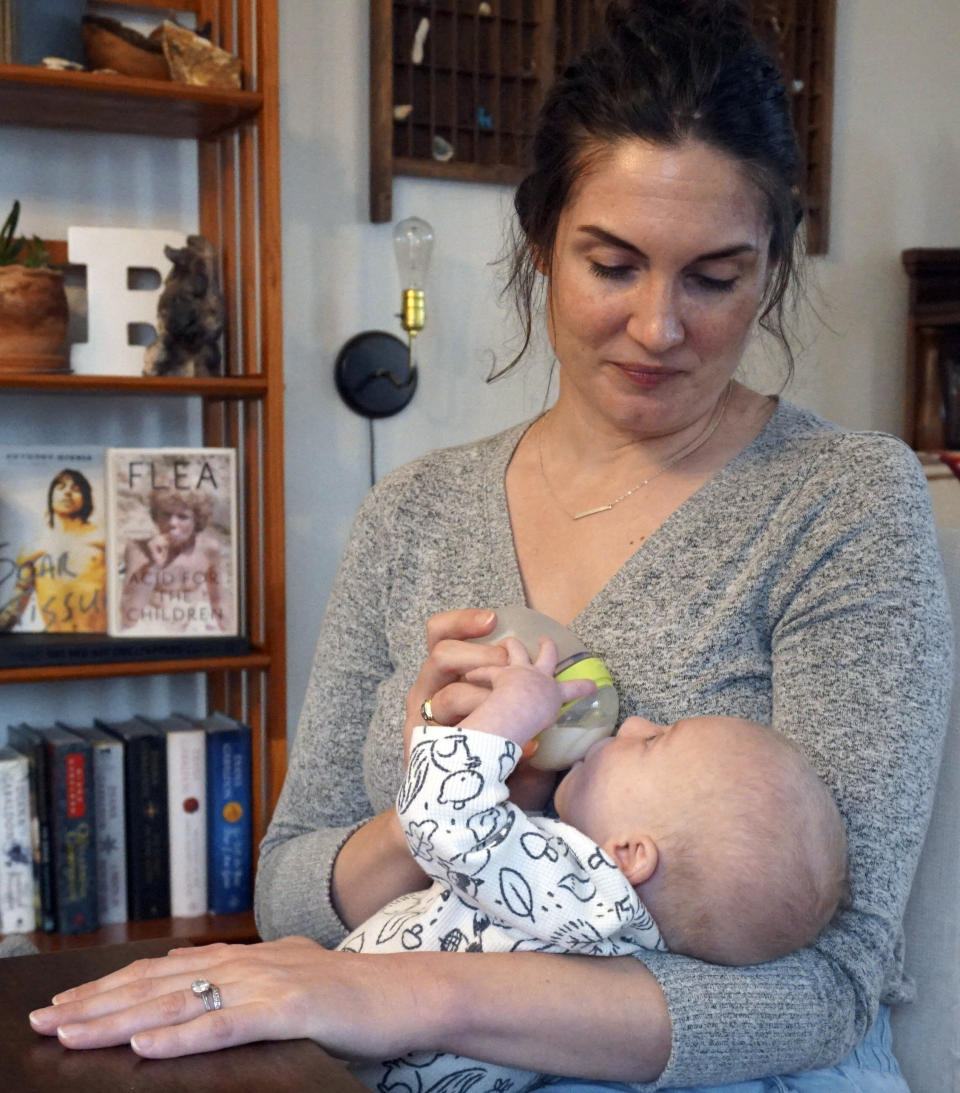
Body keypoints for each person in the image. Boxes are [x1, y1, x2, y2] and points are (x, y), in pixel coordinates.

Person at [28, 0, 952, 1088]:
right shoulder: (413, 514)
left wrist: (410, 990)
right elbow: (289, 886)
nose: (660, 326)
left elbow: (831, 983)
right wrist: (442, 805)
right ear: (540, 249)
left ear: (773, 270)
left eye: (714, 276)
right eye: (613, 264)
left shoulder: (840, 501)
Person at [343, 636, 848, 1092]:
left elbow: (439, 821)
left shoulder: (576, 894)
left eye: (654, 741)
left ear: (630, 855)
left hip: (346, 1063)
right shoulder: (609, 928)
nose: (632, 722)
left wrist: (516, 709)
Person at [0, 467, 106, 633]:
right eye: (61, 487)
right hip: (56, 646)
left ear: (86, 498)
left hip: (101, 644)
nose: (68, 493)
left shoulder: (102, 540)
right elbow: (14, 611)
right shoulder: (34, 549)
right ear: (51, 496)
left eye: (76, 489)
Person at [117, 488, 232, 634]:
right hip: (151, 627)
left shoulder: (209, 549)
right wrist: (153, 565)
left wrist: (226, 636)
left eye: (182, 517)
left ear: (196, 520)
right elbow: (129, 618)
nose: (172, 523)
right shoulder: (138, 549)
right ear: (156, 516)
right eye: (165, 514)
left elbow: (218, 602)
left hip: (194, 626)